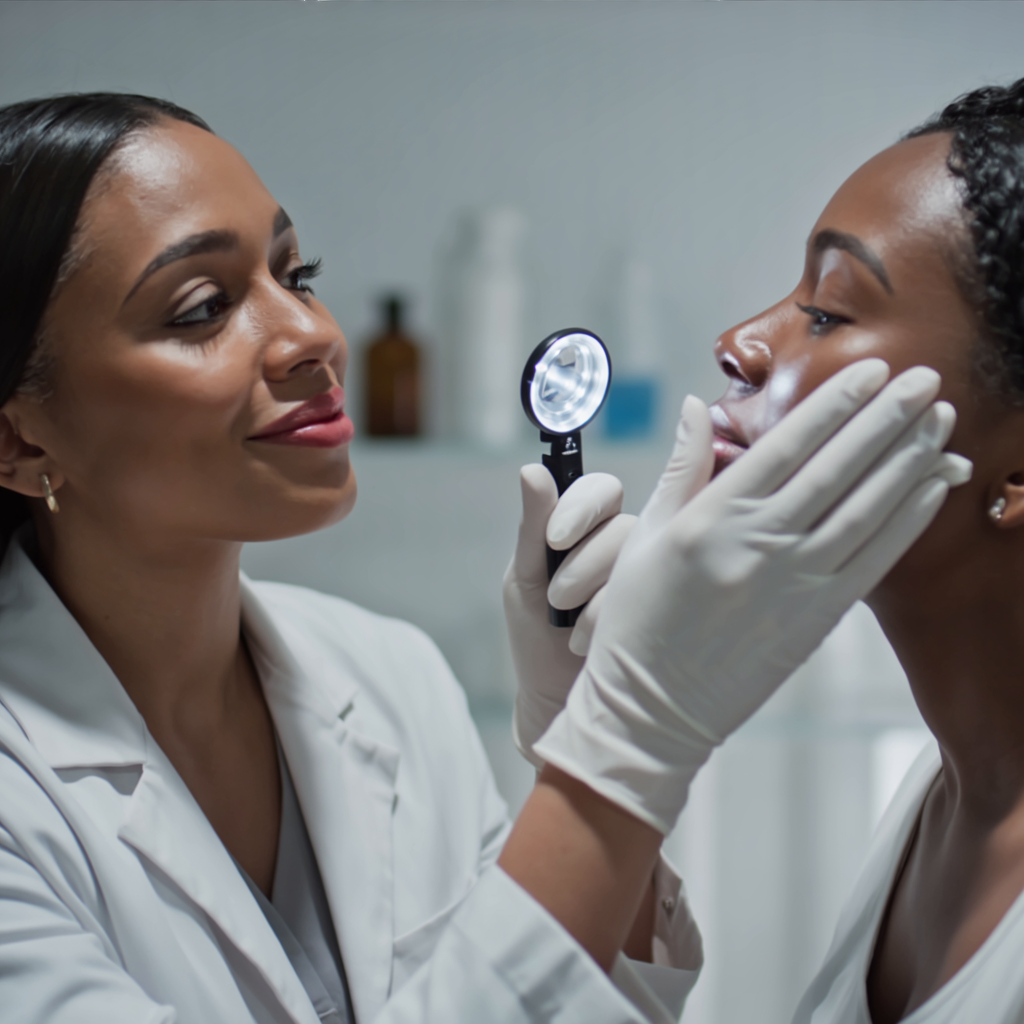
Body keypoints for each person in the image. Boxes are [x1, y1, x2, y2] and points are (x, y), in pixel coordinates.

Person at [0, 93, 962, 1024]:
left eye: (296, 274)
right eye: (202, 306)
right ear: (21, 441)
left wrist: (577, 739)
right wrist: (627, 743)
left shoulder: (387, 677)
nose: (312, 335)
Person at [511, 76, 1024, 1023]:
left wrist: (629, 734)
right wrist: (579, 725)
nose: (738, 342)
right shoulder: (938, 797)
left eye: (827, 311)